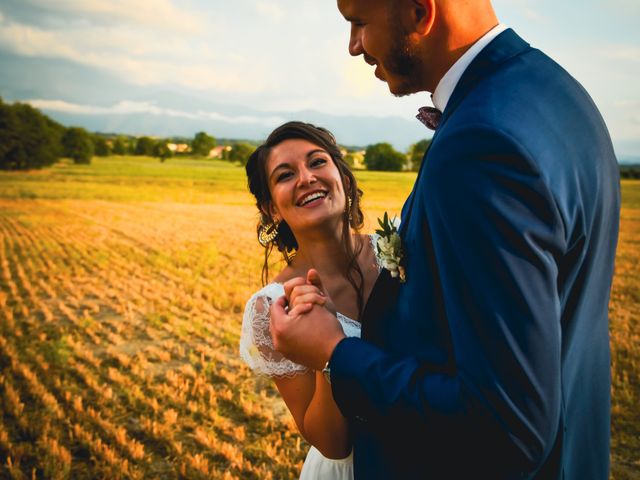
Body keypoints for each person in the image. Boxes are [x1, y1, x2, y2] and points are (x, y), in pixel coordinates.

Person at [269, 0, 621, 478]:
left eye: (358, 22)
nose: (353, 46)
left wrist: (336, 353)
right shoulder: (555, 91)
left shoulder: (480, 143)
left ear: (419, 11)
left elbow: (508, 425)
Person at [239, 121, 381, 479]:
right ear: (272, 209)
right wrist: (327, 353)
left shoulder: (403, 248)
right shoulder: (274, 307)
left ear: (344, 180)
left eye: (317, 162)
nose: (306, 178)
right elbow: (332, 444)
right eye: (286, 175)